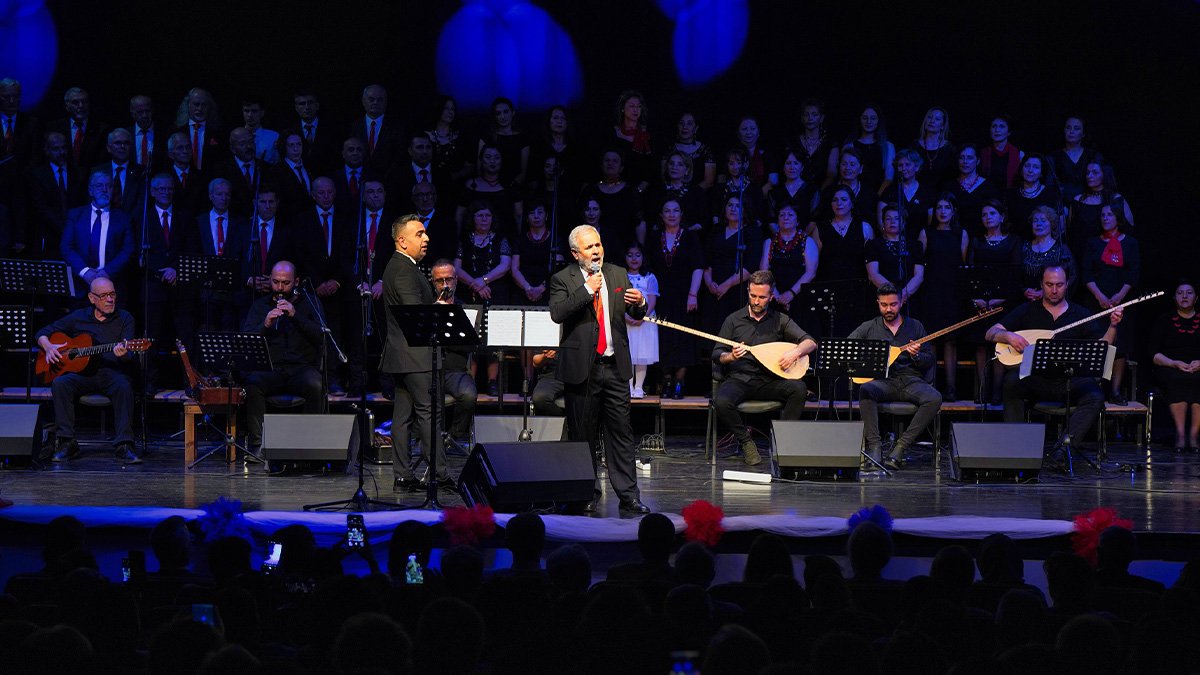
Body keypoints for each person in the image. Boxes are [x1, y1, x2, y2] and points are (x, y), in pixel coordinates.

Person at [548, 224, 649, 516]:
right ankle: (586, 493)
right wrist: (585, 290)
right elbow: (557, 313)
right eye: (590, 247)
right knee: (583, 435)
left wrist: (640, 303)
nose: (596, 251)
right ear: (576, 253)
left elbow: (635, 313)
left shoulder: (617, 274)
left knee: (621, 433)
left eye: (599, 245)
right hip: (583, 369)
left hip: (615, 367)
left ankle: (629, 496)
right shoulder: (562, 279)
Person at [985, 265, 1123, 472]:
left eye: (1059, 285)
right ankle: (1017, 449)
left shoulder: (1080, 314)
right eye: (1049, 285)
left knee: (1095, 397)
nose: (1054, 290)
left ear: (1067, 285)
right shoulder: (1028, 310)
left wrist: (1113, 326)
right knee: (1012, 382)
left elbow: (1102, 347)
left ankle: (1062, 450)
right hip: (1037, 379)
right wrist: (1009, 336)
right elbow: (991, 332)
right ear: (1041, 285)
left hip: (1070, 379)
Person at [711, 270, 818, 466]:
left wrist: (795, 353)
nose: (756, 301)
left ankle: (782, 442)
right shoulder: (733, 320)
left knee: (799, 389)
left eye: (762, 297)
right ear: (748, 292)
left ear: (771, 296)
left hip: (770, 380)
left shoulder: (780, 319)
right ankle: (746, 442)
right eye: (753, 296)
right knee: (722, 401)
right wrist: (731, 356)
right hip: (740, 379)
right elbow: (717, 355)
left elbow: (810, 342)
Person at [380, 215, 454, 493]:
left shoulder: (403, 267)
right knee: (429, 414)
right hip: (416, 355)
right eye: (419, 234)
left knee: (403, 416)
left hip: (405, 355)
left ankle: (403, 474)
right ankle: (439, 473)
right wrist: (440, 305)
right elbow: (416, 316)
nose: (426, 239)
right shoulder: (402, 270)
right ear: (402, 241)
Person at [36, 277, 138, 463]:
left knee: (124, 386)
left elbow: (128, 356)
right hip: (81, 375)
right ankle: (67, 442)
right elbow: (41, 333)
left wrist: (122, 353)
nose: (110, 299)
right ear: (92, 298)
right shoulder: (78, 317)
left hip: (111, 373)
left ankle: (124, 444)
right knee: (60, 383)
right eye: (104, 295)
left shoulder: (125, 318)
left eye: (112, 294)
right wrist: (49, 347)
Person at [848, 283, 942, 470]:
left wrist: (916, 355)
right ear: (878, 303)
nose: (889, 309)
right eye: (884, 305)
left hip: (911, 381)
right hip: (884, 382)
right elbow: (849, 348)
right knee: (866, 390)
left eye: (893, 304)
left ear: (901, 302)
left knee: (934, 398)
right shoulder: (869, 327)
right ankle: (874, 447)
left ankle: (901, 447)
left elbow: (929, 360)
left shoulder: (915, 326)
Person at [240, 261, 325, 453]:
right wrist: (265, 324)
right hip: (271, 368)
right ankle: (258, 446)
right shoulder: (260, 305)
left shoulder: (310, 303)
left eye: (285, 283)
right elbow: (246, 340)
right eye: (276, 282)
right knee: (253, 383)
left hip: (301, 368)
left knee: (317, 385)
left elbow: (322, 336)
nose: (280, 288)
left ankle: (311, 445)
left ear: (296, 281)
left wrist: (295, 315)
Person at [137, 173, 200, 394]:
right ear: (153, 192)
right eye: (161, 189)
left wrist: (176, 269)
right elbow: (140, 251)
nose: (166, 192)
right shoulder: (142, 216)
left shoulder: (185, 216)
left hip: (180, 287)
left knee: (186, 339)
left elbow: (192, 247)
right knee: (151, 339)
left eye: (169, 189)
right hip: (153, 287)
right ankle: (149, 383)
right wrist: (160, 271)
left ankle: (190, 382)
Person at [1082, 199, 1140, 404]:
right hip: (1096, 302)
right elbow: (1086, 273)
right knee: (1098, 343)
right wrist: (1100, 296)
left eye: (1110, 215)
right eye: (1103, 215)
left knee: (1120, 346)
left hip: (1121, 301)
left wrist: (1119, 297)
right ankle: (1094, 391)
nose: (1106, 218)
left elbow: (1134, 273)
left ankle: (1115, 391)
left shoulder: (1130, 243)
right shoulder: (1092, 243)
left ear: (1118, 218)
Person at [647, 197, 705, 399]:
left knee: (683, 338)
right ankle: (666, 381)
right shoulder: (654, 237)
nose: (671, 215)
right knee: (663, 338)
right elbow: (649, 269)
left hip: (684, 296)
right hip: (660, 296)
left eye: (675, 211)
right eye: (667, 211)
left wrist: (693, 294)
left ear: (681, 214)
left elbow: (698, 266)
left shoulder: (690, 237)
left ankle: (679, 382)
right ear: (661, 215)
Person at [968, 200, 1023, 404]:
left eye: (992, 213)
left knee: (1000, 345)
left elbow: (1015, 274)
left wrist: (998, 299)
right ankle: (981, 391)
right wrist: (978, 299)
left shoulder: (1013, 241)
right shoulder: (976, 241)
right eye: (984, 214)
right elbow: (970, 271)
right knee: (981, 346)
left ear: (1002, 216)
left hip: (1004, 302)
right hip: (980, 302)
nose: (988, 217)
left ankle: (997, 392)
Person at [915, 195, 967, 398]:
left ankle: (952, 388)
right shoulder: (926, 233)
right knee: (933, 340)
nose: (943, 211)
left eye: (947, 207)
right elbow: (920, 261)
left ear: (953, 211)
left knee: (951, 340)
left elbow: (963, 263)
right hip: (932, 291)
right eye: (939, 207)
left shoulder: (960, 233)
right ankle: (931, 385)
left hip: (953, 292)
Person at [61, 170, 135, 296]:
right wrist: (85, 272)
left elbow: (128, 250)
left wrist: (107, 272)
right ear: (90, 190)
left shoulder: (123, 218)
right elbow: (66, 247)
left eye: (109, 186)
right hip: (81, 286)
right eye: (100, 185)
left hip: (112, 286)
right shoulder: (75, 215)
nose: (105, 189)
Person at [1149, 280, 1200, 453]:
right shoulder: (1164, 320)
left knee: (1196, 379)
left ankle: (1193, 435)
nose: (1184, 296)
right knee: (1177, 379)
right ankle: (1180, 434)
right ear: (1174, 297)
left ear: (1196, 297)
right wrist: (1174, 363)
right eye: (1180, 293)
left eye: (1189, 292)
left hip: (1198, 368)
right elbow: (1154, 354)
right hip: (1170, 367)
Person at [430, 260, 477, 444]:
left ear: (456, 280)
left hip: (455, 371)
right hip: (431, 370)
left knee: (469, 396)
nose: (445, 285)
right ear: (433, 282)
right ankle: (428, 440)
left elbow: (470, 346)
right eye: (439, 281)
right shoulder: (428, 306)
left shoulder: (465, 309)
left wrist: (447, 334)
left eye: (449, 279)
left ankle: (453, 436)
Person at [624, 242, 658, 399]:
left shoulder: (649, 277)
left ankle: (639, 387)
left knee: (642, 354)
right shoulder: (621, 276)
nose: (634, 259)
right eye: (630, 255)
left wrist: (642, 317)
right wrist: (626, 316)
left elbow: (651, 299)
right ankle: (628, 386)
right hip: (626, 320)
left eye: (637, 255)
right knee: (629, 353)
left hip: (645, 321)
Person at [351, 84, 403, 174]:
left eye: (380, 100)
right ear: (363, 101)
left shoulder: (397, 128)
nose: (375, 102)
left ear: (386, 102)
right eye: (371, 99)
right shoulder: (353, 127)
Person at [480, 96, 530, 189]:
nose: (502, 116)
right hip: (489, 185)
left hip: (514, 186)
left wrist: (512, 187)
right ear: (495, 116)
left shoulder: (522, 138)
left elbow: (523, 173)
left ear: (513, 113)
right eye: (498, 113)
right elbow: (480, 167)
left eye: (506, 112)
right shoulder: (488, 137)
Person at [910, 106, 956, 184]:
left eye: (937, 119)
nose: (932, 121)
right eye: (929, 117)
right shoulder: (914, 146)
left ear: (942, 126)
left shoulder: (949, 149)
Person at [979, 115, 1023, 189]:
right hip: (986, 196)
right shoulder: (982, 153)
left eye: (1002, 126)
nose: (997, 130)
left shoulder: (1019, 154)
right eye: (994, 126)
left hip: (1010, 196)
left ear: (1009, 132)